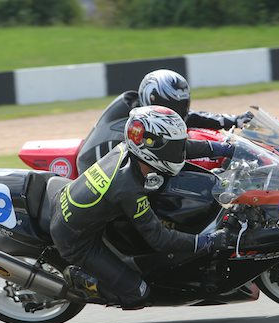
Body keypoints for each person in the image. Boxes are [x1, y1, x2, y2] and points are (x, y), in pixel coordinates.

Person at [50, 105, 229, 310]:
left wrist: (222, 149)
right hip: (76, 240)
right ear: (149, 146)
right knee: (138, 294)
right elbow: (159, 239)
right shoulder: (129, 188)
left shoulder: (130, 150)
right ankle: (83, 281)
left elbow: (179, 149)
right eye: (172, 146)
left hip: (75, 206)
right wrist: (206, 242)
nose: (178, 150)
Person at [77, 69, 252, 173]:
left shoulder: (146, 110)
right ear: (152, 99)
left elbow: (188, 117)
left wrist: (234, 120)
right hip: (98, 176)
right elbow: (171, 152)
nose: (178, 113)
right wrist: (219, 154)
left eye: (182, 105)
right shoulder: (136, 126)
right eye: (172, 106)